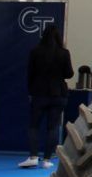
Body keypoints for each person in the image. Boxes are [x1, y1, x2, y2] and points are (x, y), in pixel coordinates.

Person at [19, 25, 73, 168]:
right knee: (53, 127)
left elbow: (30, 73)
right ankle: (47, 160)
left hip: (39, 93)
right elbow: (69, 74)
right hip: (59, 93)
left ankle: (33, 156)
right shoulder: (64, 53)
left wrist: (31, 91)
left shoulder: (35, 52)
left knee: (34, 126)